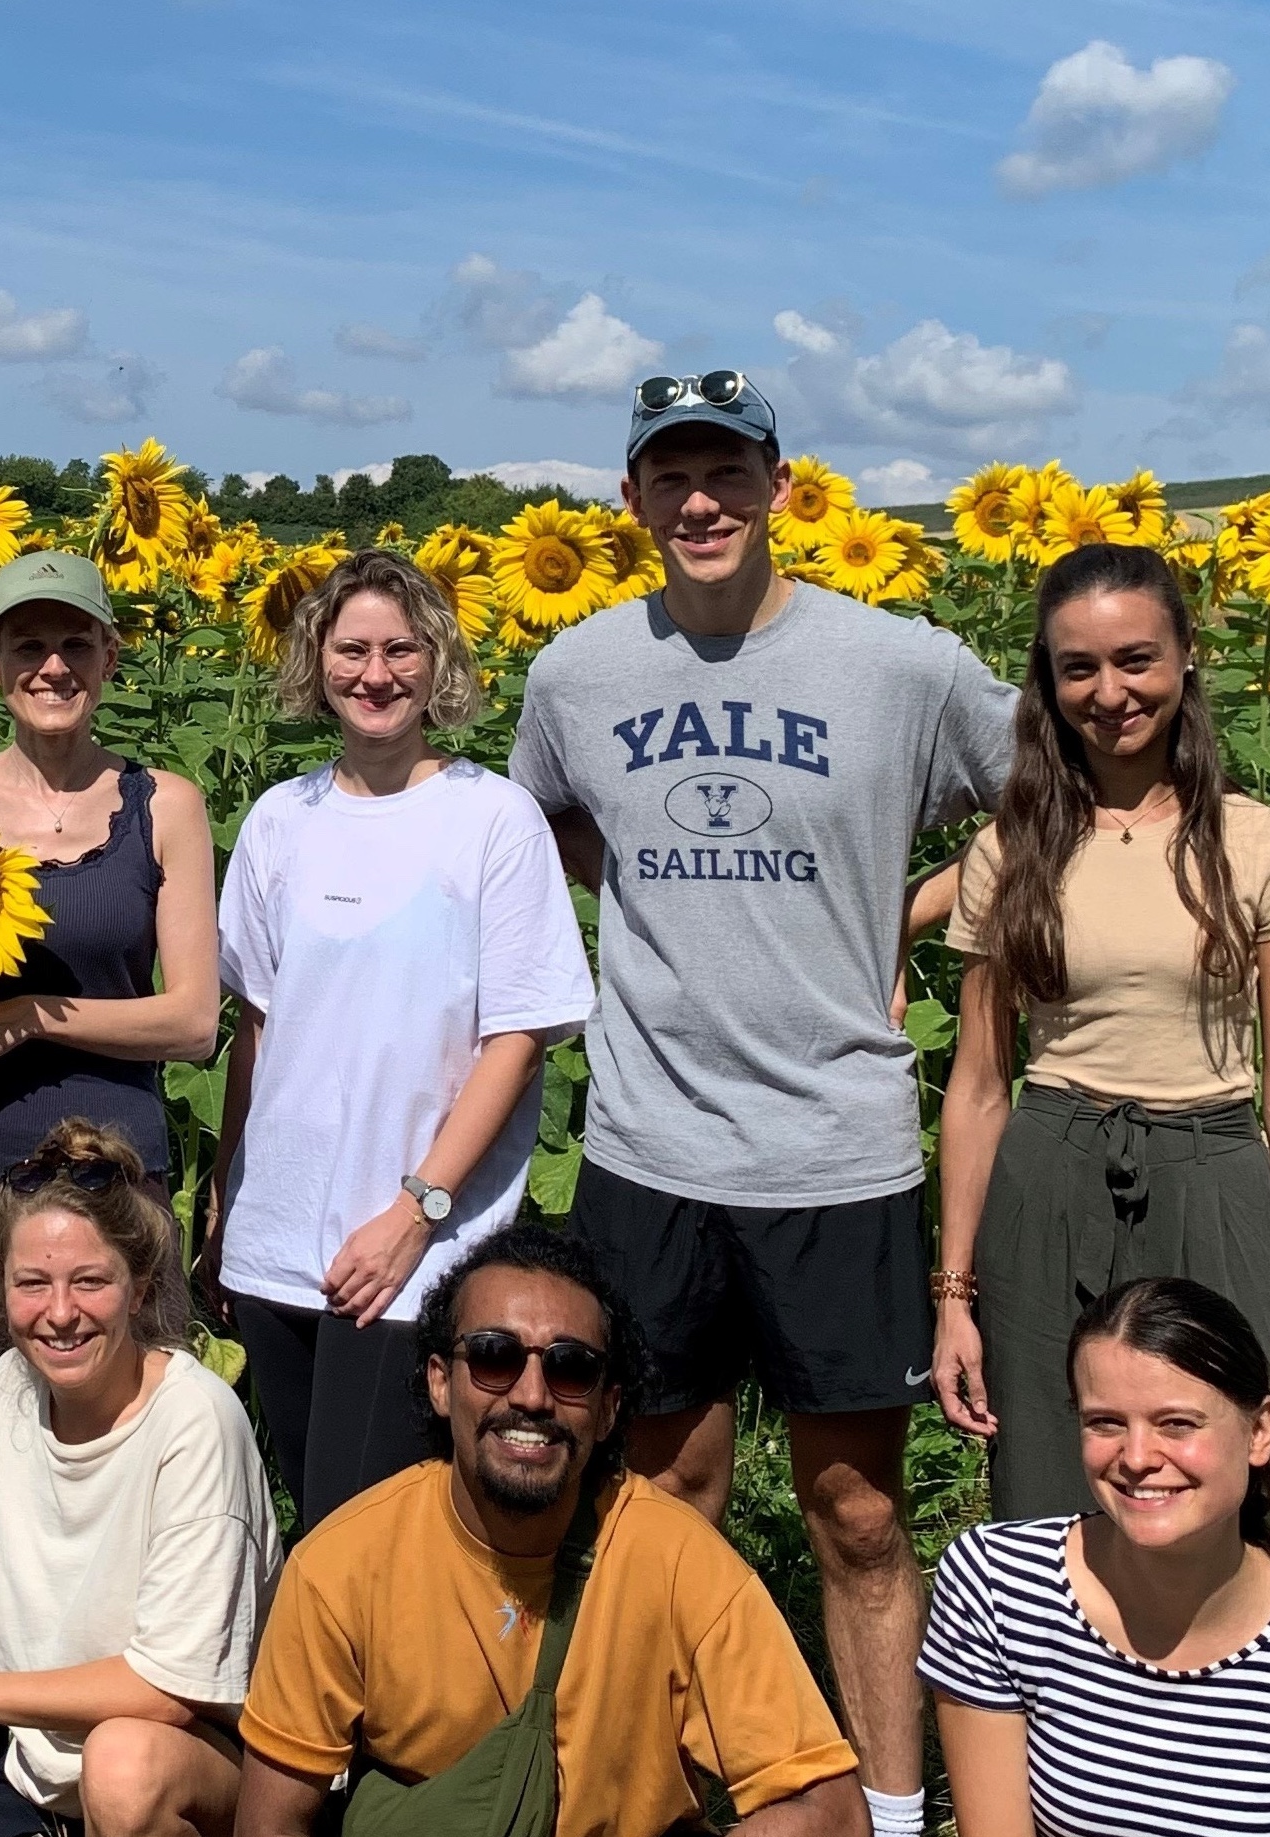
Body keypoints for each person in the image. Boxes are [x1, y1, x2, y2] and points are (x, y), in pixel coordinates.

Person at [506, 370, 1015, 1837]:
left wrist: (904, 914)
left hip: (834, 1146)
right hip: (649, 1145)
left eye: (726, 472)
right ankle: (656, 1795)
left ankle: (892, 1805)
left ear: (781, 487)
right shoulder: (577, 676)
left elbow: (1041, 791)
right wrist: (655, 903)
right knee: (662, 1496)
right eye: (670, 476)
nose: (701, 501)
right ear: (632, 502)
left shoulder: (897, 667)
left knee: (856, 1515)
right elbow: (539, 828)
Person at [929, 541, 1270, 1519]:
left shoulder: (1255, 845)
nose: (1110, 692)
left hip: (1214, 1173)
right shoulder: (1008, 852)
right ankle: (1055, 1673)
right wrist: (953, 1298)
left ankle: (1229, 1674)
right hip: (1049, 1175)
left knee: (1236, 1484)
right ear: (1048, 680)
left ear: (1184, 657)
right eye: (1078, 667)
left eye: (1134, 660)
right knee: (1045, 1481)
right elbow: (982, 1086)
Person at [237, 1222, 869, 1837]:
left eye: (571, 1369)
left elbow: (829, 1812)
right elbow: (270, 1821)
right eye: (493, 1356)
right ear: (439, 1383)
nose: (532, 1395)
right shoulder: (341, 1566)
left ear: (608, 1408)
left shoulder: (680, 1564)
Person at [208, 549, 593, 1528]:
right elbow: (256, 1023)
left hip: (415, 1245)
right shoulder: (277, 821)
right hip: (276, 1235)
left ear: (437, 663)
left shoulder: (490, 820)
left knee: (366, 1521)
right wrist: (223, 1195)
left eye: (399, 649)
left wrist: (417, 1208)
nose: (373, 674)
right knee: (311, 1508)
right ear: (315, 661)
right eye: (350, 650)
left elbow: (518, 1035)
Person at [0, 549, 220, 1602]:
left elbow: (193, 1019)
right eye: (27, 643)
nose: (53, 663)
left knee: (119, 1461)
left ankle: (118, 1719)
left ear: (110, 655)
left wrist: (29, 1017)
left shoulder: (164, 805)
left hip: (116, 1183)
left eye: (75, 641)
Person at [919, 1276, 1270, 1837]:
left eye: (1177, 1424)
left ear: (1260, 1431)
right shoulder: (997, 1585)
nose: (1138, 1457)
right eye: (1106, 1423)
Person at [0, 1120, 281, 1837]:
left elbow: (169, 1688)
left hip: (197, 1765)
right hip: (43, 1776)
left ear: (138, 1290)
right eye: (32, 1283)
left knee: (120, 1767)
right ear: (1, 1288)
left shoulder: (195, 1421)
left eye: (91, 1281)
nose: (61, 1313)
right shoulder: (3, 1395)